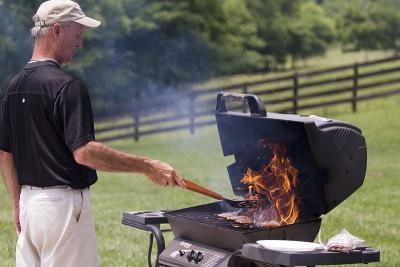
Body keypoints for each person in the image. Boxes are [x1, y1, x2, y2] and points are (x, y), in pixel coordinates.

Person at [0, 1, 185, 266]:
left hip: (30, 205)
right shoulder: (68, 86)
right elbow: (84, 152)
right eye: (78, 35)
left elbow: (5, 151)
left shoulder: (14, 86)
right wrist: (148, 165)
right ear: (56, 30)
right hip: (61, 208)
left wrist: (16, 202)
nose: (80, 44)